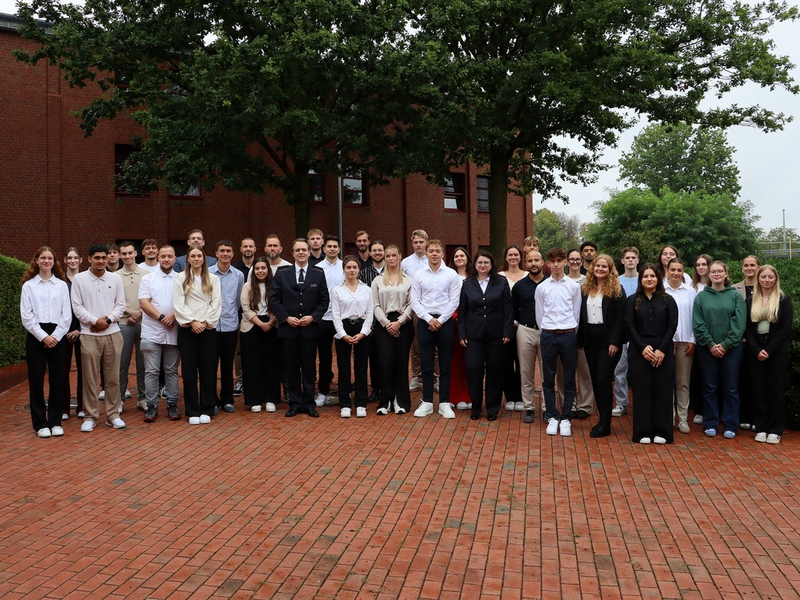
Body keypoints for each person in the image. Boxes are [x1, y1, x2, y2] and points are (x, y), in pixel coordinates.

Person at [270, 238, 330, 417]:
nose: (301, 253)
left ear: (309, 252)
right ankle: (295, 403)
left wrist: (313, 317)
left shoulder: (318, 273)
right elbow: (274, 299)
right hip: (289, 329)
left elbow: (324, 300)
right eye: (298, 250)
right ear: (293, 253)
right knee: (292, 367)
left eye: (304, 250)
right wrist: (286, 318)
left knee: (309, 367)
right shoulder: (282, 273)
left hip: (310, 329)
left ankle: (309, 403)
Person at [71, 243, 127, 432]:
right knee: (89, 378)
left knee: (112, 378)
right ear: (89, 259)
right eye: (97, 258)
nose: (101, 261)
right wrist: (95, 321)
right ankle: (90, 416)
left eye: (104, 257)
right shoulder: (79, 279)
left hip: (113, 334)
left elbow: (120, 305)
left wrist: (108, 320)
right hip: (88, 335)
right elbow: (77, 307)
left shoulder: (115, 278)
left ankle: (113, 415)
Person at [20, 247, 72, 438]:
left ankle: (56, 421)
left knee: (58, 378)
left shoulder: (61, 285)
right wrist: (43, 336)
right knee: (36, 380)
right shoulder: (29, 286)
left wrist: (55, 336)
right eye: (43, 258)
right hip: (36, 335)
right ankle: (40, 423)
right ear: (36, 260)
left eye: (50, 258)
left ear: (54, 261)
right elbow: (26, 316)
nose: (46, 261)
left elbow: (66, 315)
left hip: (58, 333)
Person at [692, 260, 746, 439]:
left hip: (732, 350)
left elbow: (739, 324)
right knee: (710, 387)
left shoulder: (735, 296)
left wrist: (725, 345)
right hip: (707, 350)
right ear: (708, 275)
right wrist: (710, 344)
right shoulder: (701, 297)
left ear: (726, 274)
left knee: (731, 388)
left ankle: (730, 425)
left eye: (719, 271)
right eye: (713, 271)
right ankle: (710, 422)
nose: (716, 274)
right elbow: (698, 324)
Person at [625, 264, 678, 444]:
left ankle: (662, 432)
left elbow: (672, 326)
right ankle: (642, 432)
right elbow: (630, 326)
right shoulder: (633, 300)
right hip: (640, 351)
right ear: (641, 279)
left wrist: (662, 349)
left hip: (663, 351)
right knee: (642, 391)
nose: (649, 279)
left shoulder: (667, 300)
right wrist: (642, 347)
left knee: (663, 391)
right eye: (645, 276)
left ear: (658, 278)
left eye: (652, 276)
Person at [458, 250, 513, 421]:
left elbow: (508, 310)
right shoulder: (468, 284)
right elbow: (463, 311)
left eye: (486, 263)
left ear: (491, 265)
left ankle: (492, 409)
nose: (482, 265)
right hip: (473, 336)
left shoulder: (501, 283)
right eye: (480, 262)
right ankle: (476, 407)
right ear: (474, 265)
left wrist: (507, 332)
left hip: (496, 335)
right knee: (474, 370)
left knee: (494, 373)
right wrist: (462, 334)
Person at [410, 239, 461, 419]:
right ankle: (427, 402)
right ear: (426, 253)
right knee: (426, 363)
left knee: (446, 364)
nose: (434, 254)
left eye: (437, 251)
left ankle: (445, 403)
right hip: (425, 321)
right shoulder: (419, 275)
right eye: (430, 251)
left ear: (442, 253)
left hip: (445, 322)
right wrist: (429, 319)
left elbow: (454, 300)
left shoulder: (451, 274)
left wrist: (440, 320)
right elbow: (414, 300)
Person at [579, 254, 626, 438]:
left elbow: (621, 318)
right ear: (593, 268)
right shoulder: (585, 289)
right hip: (590, 340)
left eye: (604, 267)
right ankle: (602, 420)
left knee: (603, 379)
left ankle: (605, 423)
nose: (600, 269)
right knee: (595, 381)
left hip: (609, 342)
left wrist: (615, 341)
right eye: (598, 266)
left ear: (610, 269)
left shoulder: (616, 289)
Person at [535, 247, 581, 437]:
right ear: (548, 263)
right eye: (552, 261)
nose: (555, 264)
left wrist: (570, 332)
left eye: (559, 261)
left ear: (565, 262)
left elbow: (576, 312)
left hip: (568, 334)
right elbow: (539, 314)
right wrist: (547, 330)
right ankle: (552, 416)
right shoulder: (542, 287)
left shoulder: (573, 286)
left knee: (569, 378)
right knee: (548, 378)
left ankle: (567, 418)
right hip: (548, 335)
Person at [174, 245, 222, 425]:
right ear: (187, 259)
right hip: (188, 329)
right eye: (192, 256)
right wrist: (192, 322)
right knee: (189, 371)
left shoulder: (213, 279)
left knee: (208, 370)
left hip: (207, 329)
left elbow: (216, 303)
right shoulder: (180, 278)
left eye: (199, 256)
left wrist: (205, 323)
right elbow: (178, 303)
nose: (196, 259)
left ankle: (207, 408)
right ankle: (192, 409)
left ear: (204, 258)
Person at [745, 265, 792, 444]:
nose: (766, 280)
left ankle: (775, 429)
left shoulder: (783, 299)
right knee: (758, 391)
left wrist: (769, 349)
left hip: (777, 352)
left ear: (775, 279)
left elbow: (786, 327)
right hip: (755, 352)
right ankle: (761, 427)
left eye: (770, 277)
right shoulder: (750, 300)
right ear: (758, 279)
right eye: (763, 277)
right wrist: (757, 349)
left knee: (776, 390)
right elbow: (747, 328)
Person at [138, 245, 181, 422]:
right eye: (163, 256)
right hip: (151, 331)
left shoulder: (181, 279)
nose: (166, 259)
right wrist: (163, 317)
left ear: (175, 258)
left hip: (174, 330)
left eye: (169, 256)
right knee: (151, 371)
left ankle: (172, 404)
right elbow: (143, 303)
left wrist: (174, 316)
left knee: (171, 370)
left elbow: (185, 301)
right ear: (158, 257)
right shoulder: (148, 279)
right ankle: (152, 406)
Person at [372, 244, 415, 414]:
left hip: (403, 324)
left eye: (393, 255)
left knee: (401, 362)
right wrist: (386, 323)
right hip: (384, 324)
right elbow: (374, 304)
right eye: (387, 256)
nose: (390, 258)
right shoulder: (377, 280)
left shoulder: (409, 280)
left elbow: (412, 304)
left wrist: (400, 322)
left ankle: (401, 401)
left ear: (399, 257)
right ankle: (385, 401)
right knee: (385, 361)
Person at [332, 256, 374, 418]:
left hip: (362, 328)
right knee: (343, 368)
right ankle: (345, 404)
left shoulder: (367, 289)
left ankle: (361, 402)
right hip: (343, 328)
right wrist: (342, 335)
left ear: (359, 269)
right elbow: (335, 315)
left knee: (361, 367)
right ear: (344, 269)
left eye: (354, 267)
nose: (351, 270)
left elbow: (370, 314)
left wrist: (363, 333)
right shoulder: (337, 290)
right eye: (348, 267)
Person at [240, 257, 281, 413]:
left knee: (271, 363)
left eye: (263, 268)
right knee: (252, 364)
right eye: (257, 268)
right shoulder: (247, 286)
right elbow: (246, 308)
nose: (260, 271)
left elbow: (279, 304)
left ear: (268, 270)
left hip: (272, 325)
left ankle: (271, 398)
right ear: (253, 270)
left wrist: (271, 322)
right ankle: (254, 399)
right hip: (251, 326)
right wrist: (261, 324)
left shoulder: (275, 286)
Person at [209, 240, 245, 413]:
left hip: (230, 325)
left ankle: (227, 399)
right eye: (221, 250)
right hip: (211, 326)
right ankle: (212, 400)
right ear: (216, 253)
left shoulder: (238, 275)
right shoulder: (207, 274)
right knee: (210, 363)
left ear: (232, 254)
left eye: (228, 251)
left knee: (227, 363)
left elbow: (238, 301)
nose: (225, 254)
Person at [513, 249, 547, 424]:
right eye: (530, 261)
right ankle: (528, 407)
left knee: (547, 371)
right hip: (525, 330)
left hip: (547, 331)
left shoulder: (550, 283)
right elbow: (514, 309)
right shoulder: (520, 286)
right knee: (526, 371)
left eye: (537, 260)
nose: (533, 263)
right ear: (526, 264)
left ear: (543, 262)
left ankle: (547, 408)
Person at [663, 258, 697, 434]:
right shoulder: (660, 290)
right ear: (667, 270)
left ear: (683, 272)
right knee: (666, 382)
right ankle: (668, 417)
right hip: (666, 344)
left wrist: (693, 340)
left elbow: (695, 317)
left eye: (679, 270)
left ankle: (682, 419)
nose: (676, 273)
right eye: (673, 269)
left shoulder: (690, 292)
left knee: (683, 383)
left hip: (684, 342)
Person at [561, 249, 594, 420]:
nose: (575, 262)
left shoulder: (589, 281)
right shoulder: (562, 281)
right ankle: (569, 403)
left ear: (581, 262)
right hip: (564, 332)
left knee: (584, 371)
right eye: (571, 259)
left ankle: (585, 405)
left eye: (577, 259)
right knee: (565, 371)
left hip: (583, 332)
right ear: (566, 262)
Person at [115, 241, 147, 411]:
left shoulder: (147, 274)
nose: (127, 256)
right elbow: (113, 301)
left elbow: (151, 298)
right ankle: (119, 399)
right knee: (122, 362)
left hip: (144, 323)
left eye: (130, 253)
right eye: (123, 253)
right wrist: (131, 313)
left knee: (143, 363)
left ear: (136, 253)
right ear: (120, 255)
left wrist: (139, 313)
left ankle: (142, 398)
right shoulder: (115, 276)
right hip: (123, 323)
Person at [315, 235, 345, 407]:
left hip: (342, 317)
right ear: (324, 249)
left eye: (335, 246)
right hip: (324, 319)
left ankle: (344, 391)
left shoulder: (345, 266)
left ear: (339, 249)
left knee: (343, 356)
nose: (332, 249)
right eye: (329, 246)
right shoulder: (317, 268)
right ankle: (323, 391)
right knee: (324, 357)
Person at [612, 246, 640, 417]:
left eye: (633, 257)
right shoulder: (616, 281)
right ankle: (621, 402)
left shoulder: (644, 279)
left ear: (637, 260)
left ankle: (641, 402)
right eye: (627, 258)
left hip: (639, 331)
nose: (630, 260)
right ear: (622, 261)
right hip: (622, 331)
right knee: (620, 369)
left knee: (639, 370)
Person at [733, 255, 760, 431]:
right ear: (742, 268)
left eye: (752, 265)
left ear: (758, 267)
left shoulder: (765, 287)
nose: (749, 268)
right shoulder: (734, 290)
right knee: (741, 381)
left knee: (757, 382)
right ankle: (743, 416)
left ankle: (757, 418)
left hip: (758, 344)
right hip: (740, 343)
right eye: (746, 265)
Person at [401, 229, 429, 391]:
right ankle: (417, 376)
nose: (418, 245)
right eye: (416, 242)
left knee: (434, 346)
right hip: (412, 309)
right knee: (416, 344)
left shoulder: (433, 259)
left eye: (421, 242)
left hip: (431, 307)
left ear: (426, 242)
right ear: (412, 243)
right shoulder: (405, 263)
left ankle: (435, 378)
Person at [498, 245, 525, 412]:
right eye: (510, 255)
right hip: (504, 326)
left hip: (523, 326)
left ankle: (521, 397)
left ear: (520, 257)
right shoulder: (499, 277)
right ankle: (509, 397)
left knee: (522, 362)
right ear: (506, 258)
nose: (513, 257)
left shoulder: (528, 276)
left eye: (516, 254)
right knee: (506, 362)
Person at [448, 246, 473, 410]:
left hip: (472, 324)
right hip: (453, 322)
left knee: (470, 363)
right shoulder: (448, 276)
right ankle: (452, 396)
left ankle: (467, 396)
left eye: (462, 255)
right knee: (454, 361)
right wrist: (455, 317)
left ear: (467, 258)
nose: (459, 258)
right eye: (456, 256)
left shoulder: (474, 276)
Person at [689, 253, 713, 424]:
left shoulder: (716, 287)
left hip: (712, 338)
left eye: (704, 264)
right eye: (698, 265)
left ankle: (711, 409)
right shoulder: (691, 287)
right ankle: (698, 409)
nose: (701, 267)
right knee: (696, 374)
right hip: (694, 336)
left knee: (710, 376)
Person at [62, 247, 84, 420]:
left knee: (84, 370)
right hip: (63, 331)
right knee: (62, 370)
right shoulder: (59, 281)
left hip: (84, 330)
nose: (72, 261)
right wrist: (67, 330)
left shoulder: (85, 280)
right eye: (69, 258)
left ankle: (82, 407)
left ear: (81, 260)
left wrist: (80, 330)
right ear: (65, 260)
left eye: (75, 257)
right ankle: (63, 408)